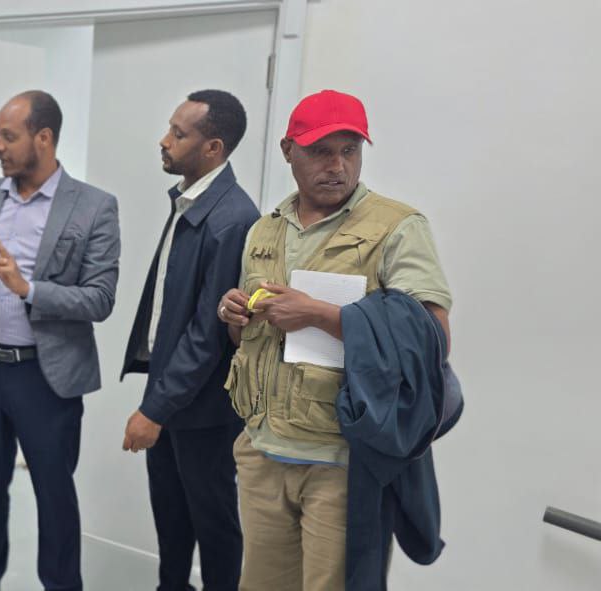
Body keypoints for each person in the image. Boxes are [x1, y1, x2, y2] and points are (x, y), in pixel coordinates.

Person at [216, 89, 452, 591]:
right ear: (288, 151)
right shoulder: (264, 230)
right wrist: (235, 314)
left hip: (341, 462)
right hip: (262, 451)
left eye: (350, 150)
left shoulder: (397, 227)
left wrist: (323, 316)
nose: (337, 166)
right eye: (321, 151)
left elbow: (432, 339)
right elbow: (247, 339)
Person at [0, 90, 120, 591]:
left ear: (43, 138)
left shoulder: (94, 206)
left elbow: (100, 299)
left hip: (46, 378)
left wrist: (29, 289)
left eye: (8, 136)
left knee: (54, 494)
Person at [119, 89, 259, 591]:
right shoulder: (191, 200)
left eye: (178, 134)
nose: (165, 140)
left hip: (202, 409)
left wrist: (154, 410)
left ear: (213, 148)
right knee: (171, 515)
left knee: (214, 524)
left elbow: (207, 335)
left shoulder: (232, 218)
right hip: (171, 392)